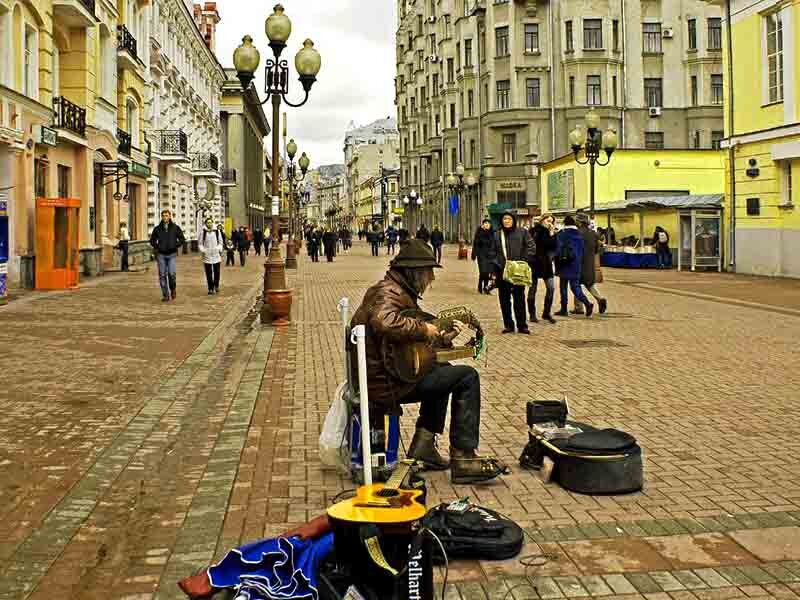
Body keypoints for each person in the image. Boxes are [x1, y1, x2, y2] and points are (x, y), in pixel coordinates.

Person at [349, 240, 508, 484]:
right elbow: (385, 323)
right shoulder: (388, 293)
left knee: (442, 370)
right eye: (428, 272)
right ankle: (464, 457)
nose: (431, 279)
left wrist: (443, 337)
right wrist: (425, 329)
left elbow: (405, 345)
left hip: (390, 374)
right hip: (387, 383)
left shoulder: (397, 290)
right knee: (467, 377)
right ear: (415, 272)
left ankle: (424, 446)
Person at [494, 212, 536, 334]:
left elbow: (531, 247)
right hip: (502, 272)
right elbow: (491, 252)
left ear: (513, 220)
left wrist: (522, 261)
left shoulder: (522, 232)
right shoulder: (497, 235)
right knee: (504, 299)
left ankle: (522, 325)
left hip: (518, 271)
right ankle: (508, 325)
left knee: (519, 298)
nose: (506, 221)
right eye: (504, 219)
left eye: (509, 218)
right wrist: (497, 264)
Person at [555, 216, 594, 318]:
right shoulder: (579, 235)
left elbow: (557, 249)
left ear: (564, 223)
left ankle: (564, 309)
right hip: (576, 265)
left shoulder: (562, 234)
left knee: (563, 287)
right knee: (575, 287)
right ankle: (587, 303)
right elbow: (583, 251)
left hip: (564, 264)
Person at [149, 209, 185, 302]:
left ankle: (173, 289)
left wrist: (175, 245)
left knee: (171, 274)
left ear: (170, 216)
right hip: (161, 255)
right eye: (163, 215)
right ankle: (165, 295)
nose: (165, 217)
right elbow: (152, 240)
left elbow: (182, 239)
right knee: (162, 275)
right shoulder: (157, 229)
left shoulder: (175, 228)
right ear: (161, 217)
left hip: (172, 254)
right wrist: (158, 246)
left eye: (166, 215)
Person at [528, 214, 558, 324]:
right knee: (533, 289)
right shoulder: (534, 230)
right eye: (547, 220)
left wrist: (551, 233)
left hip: (546, 263)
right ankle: (532, 314)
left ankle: (546, 312)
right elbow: (535, 244)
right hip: (534, 263)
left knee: (551, 288)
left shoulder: (551, 232)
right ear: (542, 221)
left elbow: (553, 247)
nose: (549, 223)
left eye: (551, 221)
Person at [577, 214, 607, 313]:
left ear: (580, 222)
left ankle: (579, 307)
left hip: (579, 262)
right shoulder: (594, 234)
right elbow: (596, 250)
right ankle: (600, 298)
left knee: (576, 284)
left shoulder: (577, 233)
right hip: (590, 262)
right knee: (590, 284)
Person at [471, 220, 496, 294]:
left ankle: (485, 287)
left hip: (490, 255)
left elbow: (495, 244)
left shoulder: (492, 233)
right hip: (481, 255)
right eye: (485, 223)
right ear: (482, 225)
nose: (487, 225)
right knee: (483, 271)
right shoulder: (479, 232)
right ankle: (480, 285)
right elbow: (475, 243)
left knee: (487, 272)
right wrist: (474, 254)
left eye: (488, 223)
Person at [199, 218, 222, 295]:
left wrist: (218, 249)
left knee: (217, 272)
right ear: (206, 224)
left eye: (210, 222)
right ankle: (210, 288)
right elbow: (200, 243)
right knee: (208, 273)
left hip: (216, 255)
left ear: (213, 223)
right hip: (207, 256)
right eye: (208, 223)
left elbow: (220, 242)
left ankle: (216, 286)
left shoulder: (217, 232)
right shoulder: (203, 232)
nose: (209, 224)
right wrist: (203, 250)